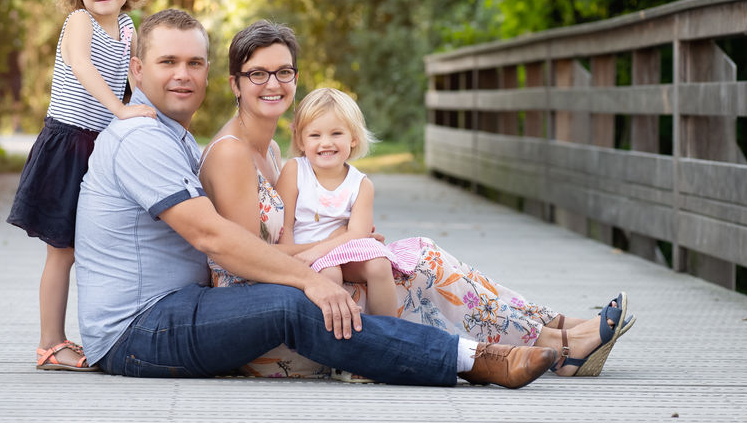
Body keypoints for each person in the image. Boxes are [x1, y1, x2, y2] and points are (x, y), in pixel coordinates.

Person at [74, 8, 556, 387]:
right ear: (137, 70)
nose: (184, 75)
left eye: (194, 63)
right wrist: (312, 278)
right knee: (298, 304)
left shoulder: (172, 135)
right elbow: (212, 237)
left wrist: (344, 251)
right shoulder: (140, 137)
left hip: (181, 306)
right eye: (168, 62)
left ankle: (546, 336)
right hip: (139, 328)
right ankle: (474, 360)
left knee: (395, 267)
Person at [199, 20, 635, 380]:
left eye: (284, 72)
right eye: (258, 73)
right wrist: (341, 242)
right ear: (236, 83)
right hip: (275, 329)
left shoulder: (272, 151)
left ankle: (555, 328)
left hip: (300, 286)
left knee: (415, 256)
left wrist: (351, 242)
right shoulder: (232, 153)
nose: (272, 83)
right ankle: (557, 343)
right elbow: (248, 264)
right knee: (417, 272)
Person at [7, 0, 156, 371]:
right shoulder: (80, 22)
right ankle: (50, 343)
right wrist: (120, 109)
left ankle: (110, 327)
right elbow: (84, 67)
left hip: (101, 147)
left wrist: (145, 113)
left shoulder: (128, 27)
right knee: (63, 249)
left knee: (97, 244)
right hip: (68, 144)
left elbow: (136, 81)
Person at [275, 88, 403, 319]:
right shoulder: (295, 171)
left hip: (343, 250)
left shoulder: (361, 184)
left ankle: (388, 333)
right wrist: (293, 262)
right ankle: (331, 340)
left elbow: (357, 233)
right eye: (315, 135)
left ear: (353, 137)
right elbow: (286, 227)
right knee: (330, 273)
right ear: (301, 140)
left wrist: (319, 251)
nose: (326, 143)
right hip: (302, 252)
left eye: (336, 134)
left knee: (379, 264)